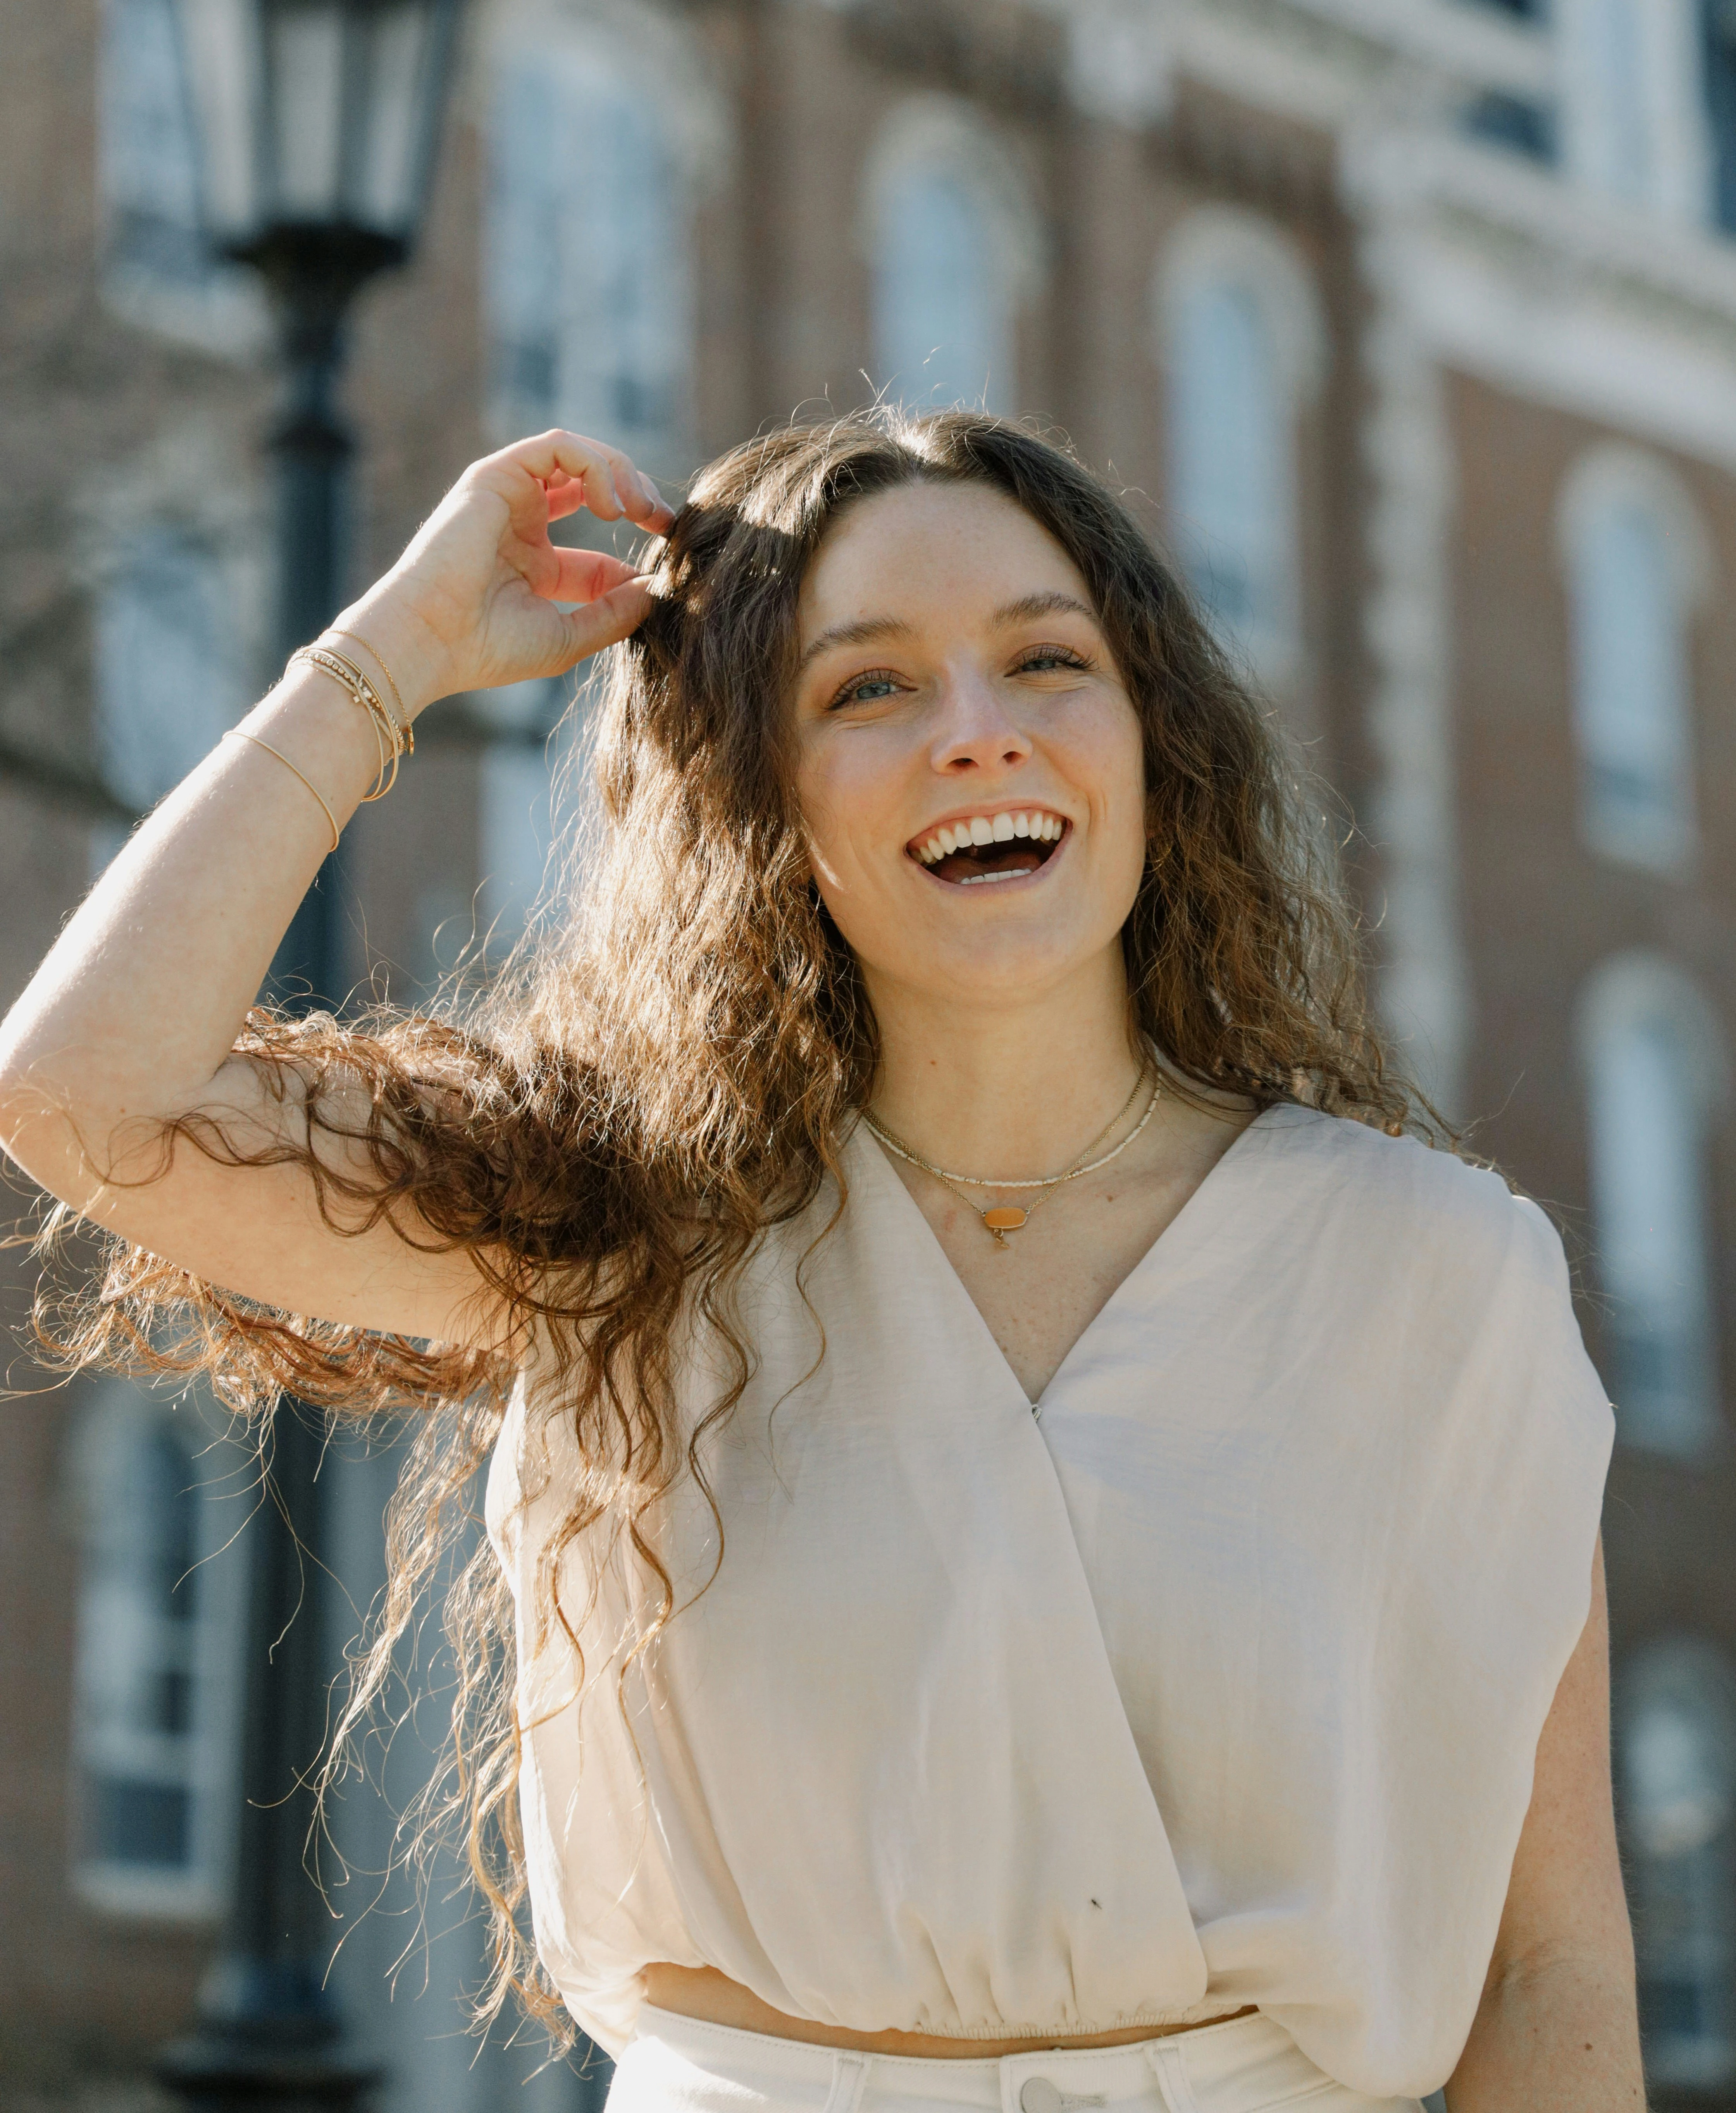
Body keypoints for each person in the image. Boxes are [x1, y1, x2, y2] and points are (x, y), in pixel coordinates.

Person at [0, 411, 1639, 2113]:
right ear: (752, 785)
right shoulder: (617, 1228)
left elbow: (1547, 1969)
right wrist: (393, 652)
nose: (979, 732)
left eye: (1048, 661)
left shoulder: (1439, 1278)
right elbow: (83, 1093)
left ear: (1154, 737)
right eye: (870, 687)